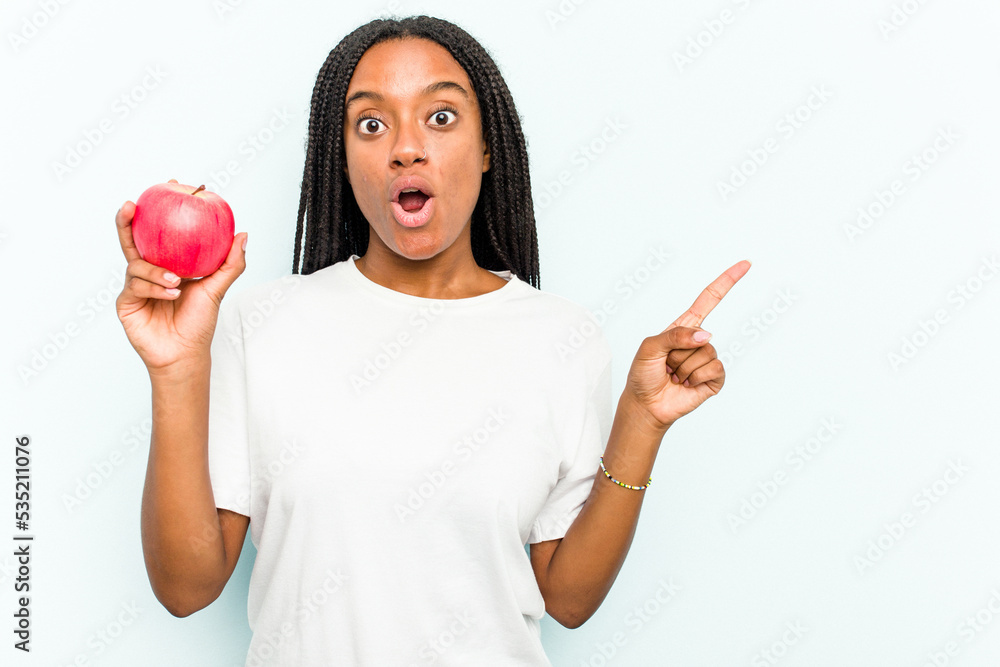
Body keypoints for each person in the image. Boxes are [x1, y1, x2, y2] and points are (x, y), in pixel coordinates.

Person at [114, 14, 749, 666]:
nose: (405, 148)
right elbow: (186, 587)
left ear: (486, 147)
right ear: (344, 157)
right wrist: (176, 367)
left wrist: (642, 422)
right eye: (371, 123)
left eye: (440, 117)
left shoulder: (563, 339)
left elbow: (569, 598)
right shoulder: (261, 323)